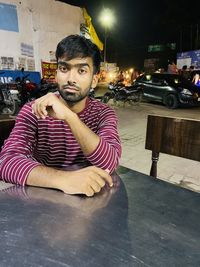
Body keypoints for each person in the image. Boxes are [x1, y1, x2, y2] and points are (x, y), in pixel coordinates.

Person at [0, 35, 122, 197]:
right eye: (64, 69)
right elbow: (6, 163)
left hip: (92, 201)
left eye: (82, 70)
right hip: (43, 202)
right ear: (56, 74)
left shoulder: (103, 113)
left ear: (94, 80)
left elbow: (110, 162)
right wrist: (65, 180)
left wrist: (70, 117)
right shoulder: (35, 110)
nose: (71, 79)